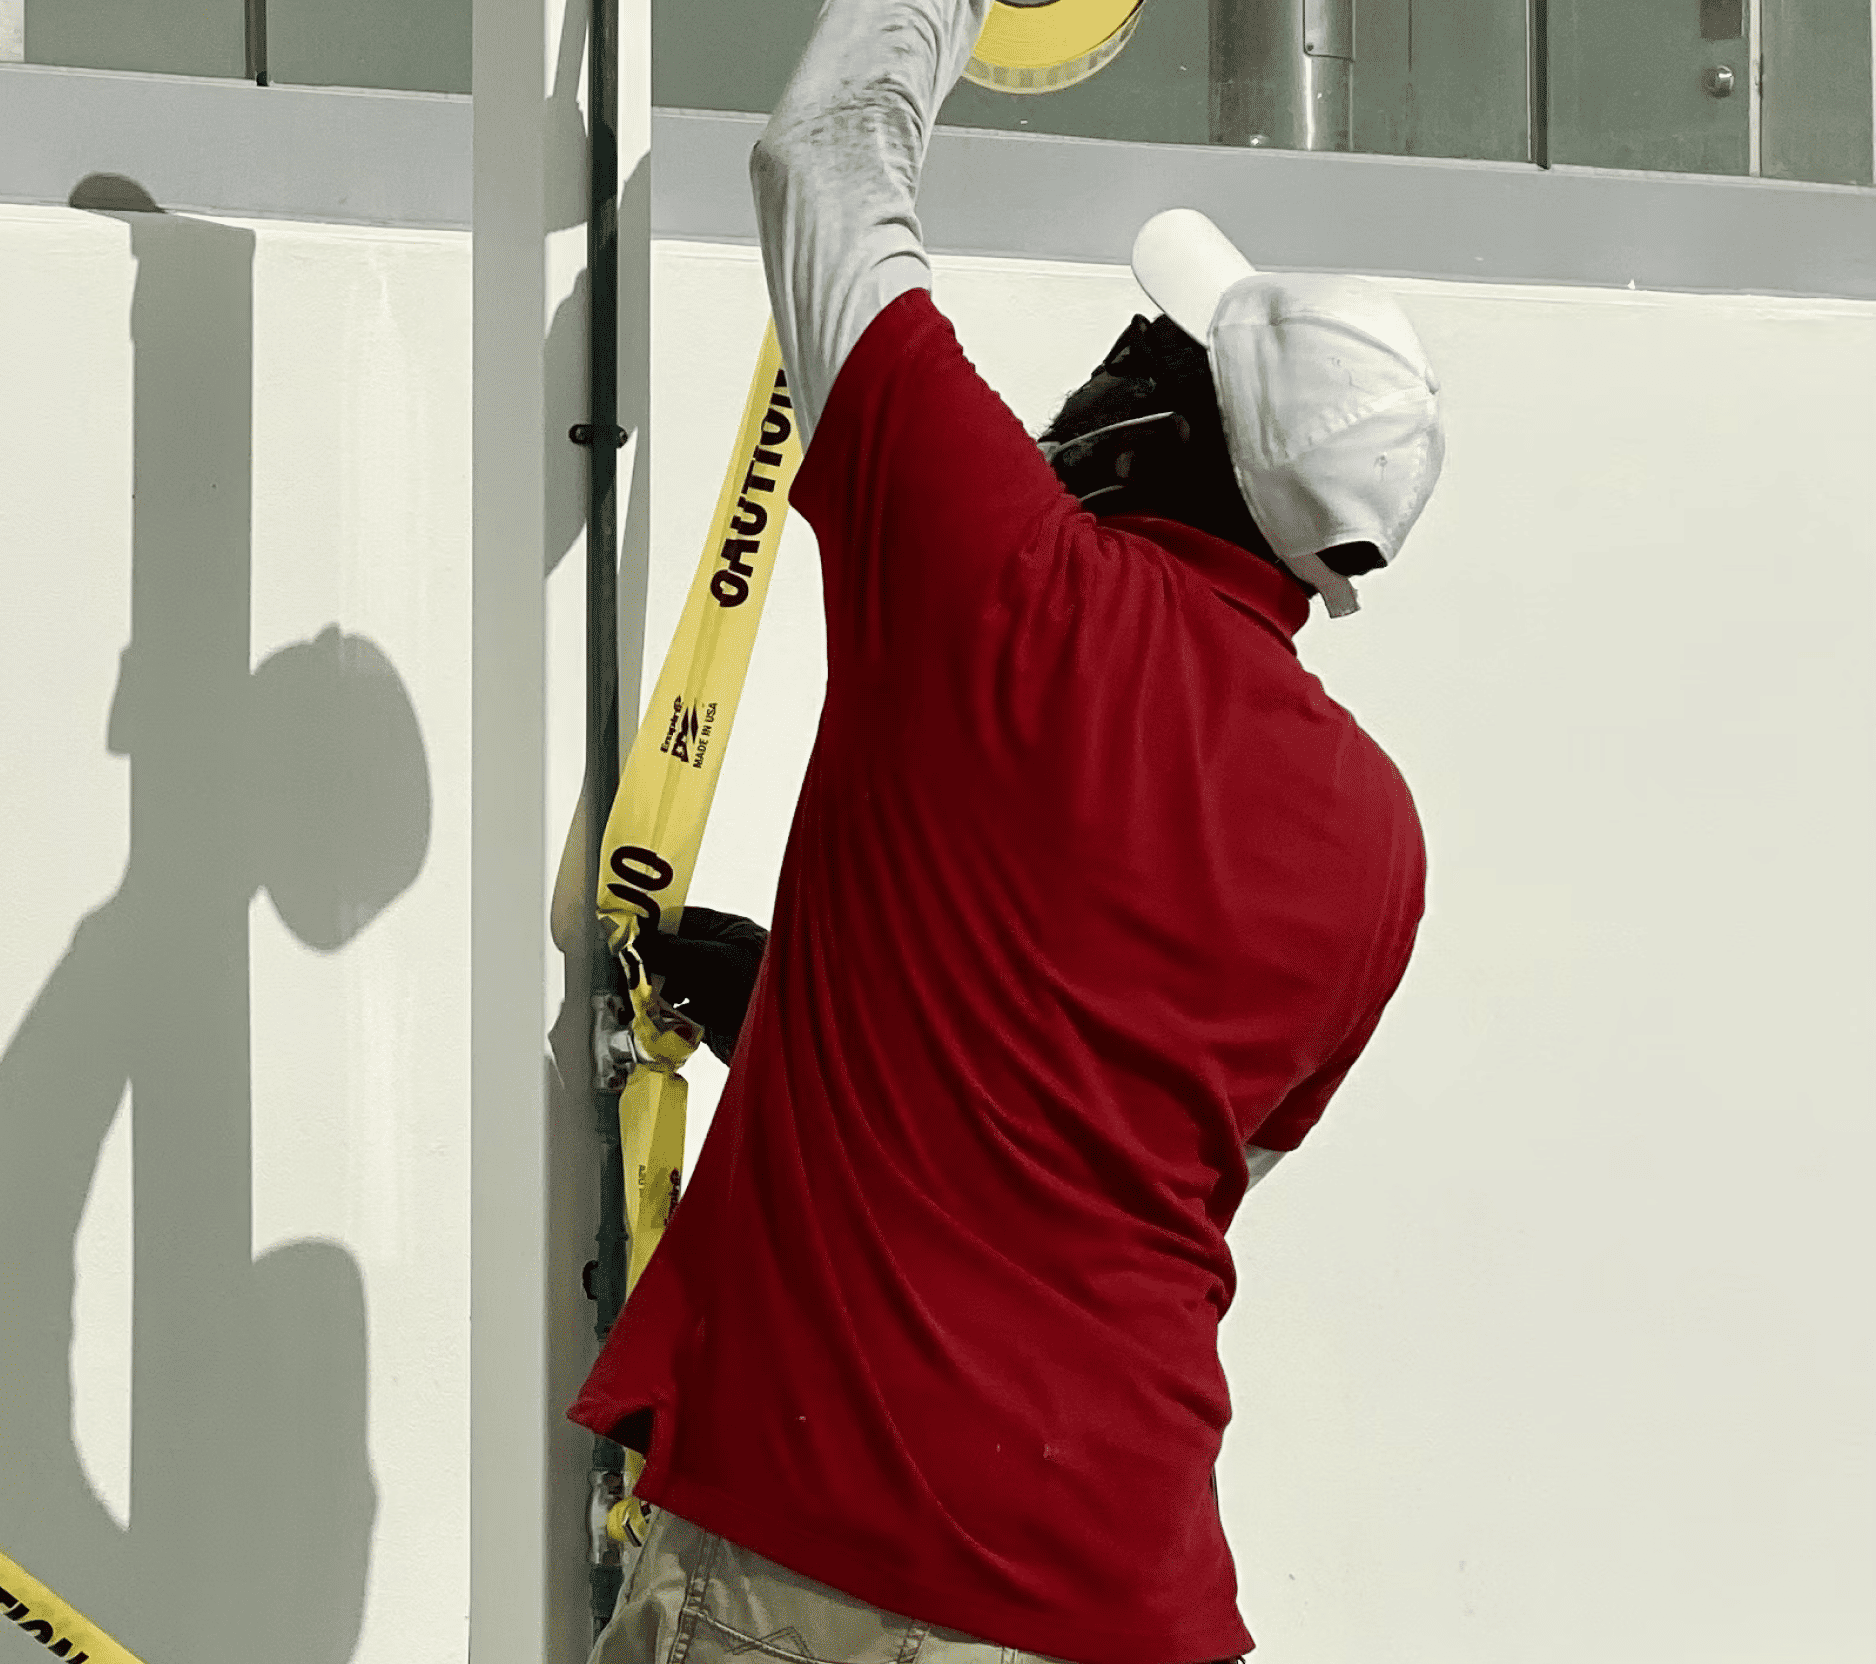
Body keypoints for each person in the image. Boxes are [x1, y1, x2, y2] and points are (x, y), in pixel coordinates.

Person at [567, 0, 1445, 1661]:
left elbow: (821, 159)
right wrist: (807, 1027)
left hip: (831, 1575)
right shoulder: (1378, 839)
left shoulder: (1009, 579)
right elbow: (1146, 1157)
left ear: (1179, 436)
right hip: (1130, 1601)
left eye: (1144, 354)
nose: (1099, 366)